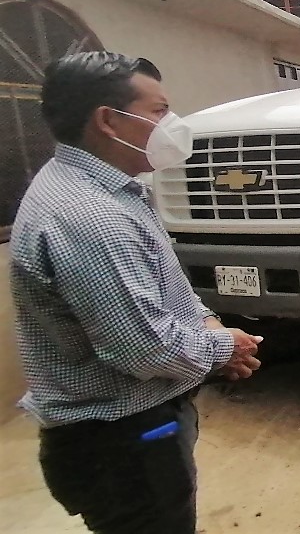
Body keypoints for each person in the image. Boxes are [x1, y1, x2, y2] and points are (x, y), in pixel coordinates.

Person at [8, 51, 264, 533]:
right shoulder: (89, 216)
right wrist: (224, 346)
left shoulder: (107, 189)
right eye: (158, 111)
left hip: (131, 431)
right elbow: (145, 349)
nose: (171, 124)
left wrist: (208, 325)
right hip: (121, 443)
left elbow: (162, 286)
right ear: (108, 121)